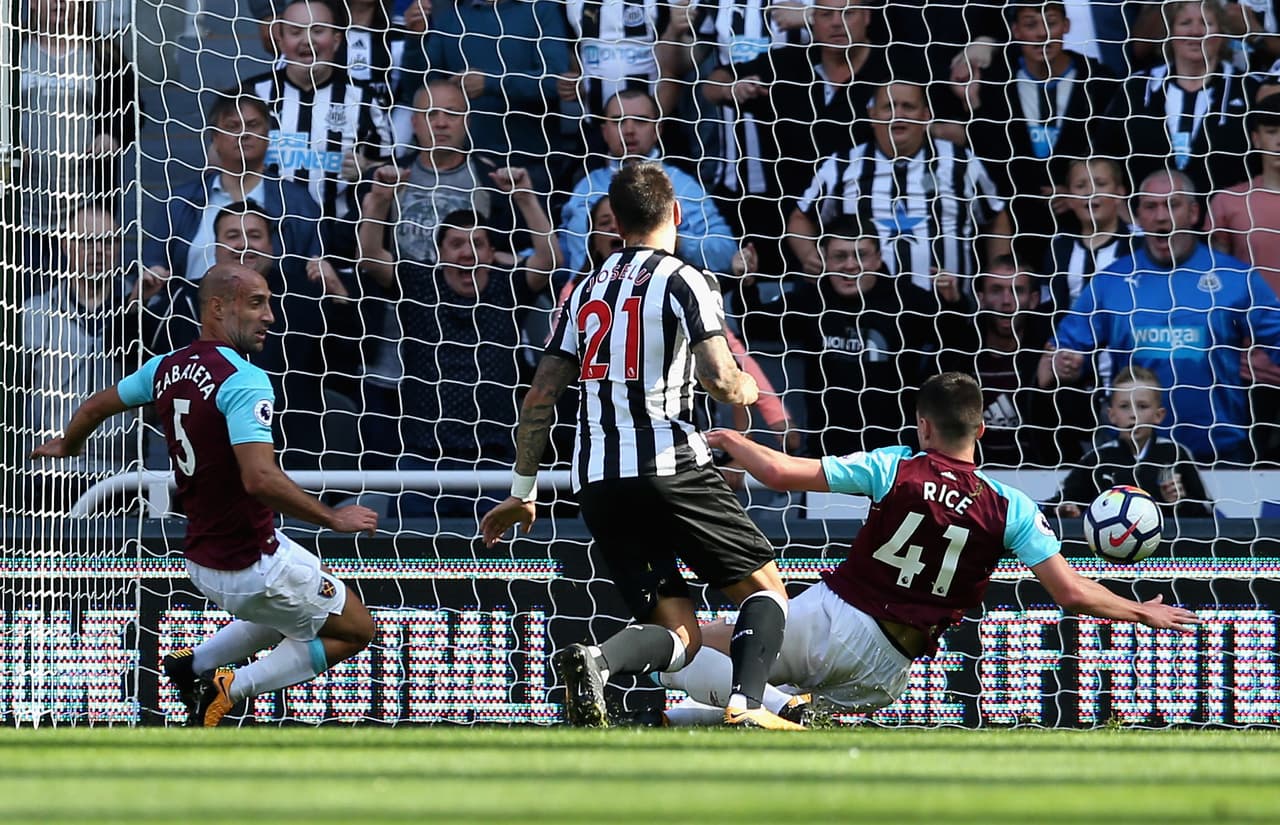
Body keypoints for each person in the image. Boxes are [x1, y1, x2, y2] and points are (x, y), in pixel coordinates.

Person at [657, 372, 1201, 724]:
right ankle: (762, 714)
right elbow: (1071, 593)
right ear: (982, 428)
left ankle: (772, 704)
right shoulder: (1010, 506)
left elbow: (779, 474)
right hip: (887, 671)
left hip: (838, 618)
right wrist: (1140, 611)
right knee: (687, 722)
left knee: (683, 648)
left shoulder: (896, 466)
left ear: (923, 425)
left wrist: (730, 440)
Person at [480, 162, 800, 730]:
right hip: (669, 465)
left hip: (597, 480)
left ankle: (596, 661)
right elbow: (723, 383)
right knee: (766, 591)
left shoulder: (583, 290)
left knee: (681, 634)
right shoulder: (684, 279)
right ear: (675, 214)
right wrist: (749, 387)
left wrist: (523, 491)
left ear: (615, 224)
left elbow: (539, 399)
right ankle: (749, 706)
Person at [30, 263, 379, 727]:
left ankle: (190, 666)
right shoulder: (245, 380)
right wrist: (334, 519)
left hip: (201, 557)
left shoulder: (164, 367)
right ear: (218, 307)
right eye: (257, 303)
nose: (270, 316)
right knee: (357, 630)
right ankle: (232, 689)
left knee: (291, 612)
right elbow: (260, 479)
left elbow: (96, 404)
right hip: (251, 563)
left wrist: (67, 445)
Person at [1039, 168, 1280, 464]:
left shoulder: (1234, 277)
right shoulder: (1111, 281)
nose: (1161, 217)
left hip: (1220, 453)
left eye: (1172, 204)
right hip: (1133, 455)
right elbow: (1054, 360)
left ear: (1193, 213)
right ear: (1138, 216)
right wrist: (1065, 366)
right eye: (1151, 207)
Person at [787, 81, 1012, 294]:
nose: (898, 114)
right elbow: (800, 218)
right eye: (889, 106)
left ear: (926, 116)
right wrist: (809, 255)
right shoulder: (842, 166)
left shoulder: (960, 163)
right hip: (866, 315)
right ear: (872, 115)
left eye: (908, 106)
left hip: (946, 310)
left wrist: (997, 277)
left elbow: (996, 217)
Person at [243, 0, 395, 221]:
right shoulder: (252, 95)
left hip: (336, 236)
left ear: (336, 40)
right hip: (265, 232)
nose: (307, 41)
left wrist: (367, 170)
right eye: (296, 32)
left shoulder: (363, 99)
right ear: (281, 41)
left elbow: (387, 167)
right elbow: (218, 161)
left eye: (317, 31)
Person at [559, 89, 737, 275]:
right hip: (587, 298)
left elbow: (725, 251)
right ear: (604, 131)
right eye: (618, 121)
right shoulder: (585, 187)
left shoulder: (680, 185)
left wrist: (667, 235)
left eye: (641, 120)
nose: (629, 130)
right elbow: (561, 254)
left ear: (657, 130)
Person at [1100, 0, 1252, 195]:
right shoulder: (1137, 88)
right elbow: (1104, 157)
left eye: (1206, 23)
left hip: (1226, 221)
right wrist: (1126, 217)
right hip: (1144, 220)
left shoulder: (1247, 89)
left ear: (1222, 33)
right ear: (1170, 32)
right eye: (1185, 23)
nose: (1196, 32)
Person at [1049, 366, 1213, 520]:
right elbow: (1058, 503)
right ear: (1112, 415)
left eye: (1142, 406)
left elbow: (1208, 513)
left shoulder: (1176, 454)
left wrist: (1179, 502)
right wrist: (1066, 509)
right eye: (1124, 406)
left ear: (1159, 415)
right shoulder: (1097, 459)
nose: (1133, 414)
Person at [936, 257, 1053, 467]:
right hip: (971, 478)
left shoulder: (1047, 356)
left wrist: (1047, 389)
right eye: (996, 290)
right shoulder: (960, 359)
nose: (1007, 301)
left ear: (1034, 300)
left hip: (1040, 478)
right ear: (981, 298)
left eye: (1017, 290)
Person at [1208, 93, 1280, 296]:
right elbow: (1216, 278)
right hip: (1249, 320)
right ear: (1256, 138)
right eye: (1272, 132)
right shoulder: (1229, 201)